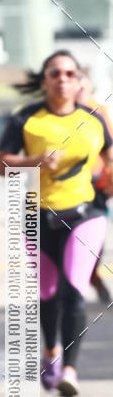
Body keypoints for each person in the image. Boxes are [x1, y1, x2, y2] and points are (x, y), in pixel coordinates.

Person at [0, 50, 113, 397]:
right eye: (55, 73)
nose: (63, 79)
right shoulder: (27, 120)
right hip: (37, 217)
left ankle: (71, 371)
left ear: (78, 81)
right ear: (45, 80)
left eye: (69, 73)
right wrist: (34, 161)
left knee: (74, 291)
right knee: (47, 294)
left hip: (86, 214)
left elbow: (109, 157)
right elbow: (0, 165)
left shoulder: (94, 119)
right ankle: (50, 353)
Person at [75, 72, 112, 304]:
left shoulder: (99, 113)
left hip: (96, 187)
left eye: (81, 81)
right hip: (64, 189)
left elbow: (110, 154)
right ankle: (75, 287)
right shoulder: (55, 113)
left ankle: (93, 277)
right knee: (67, 239)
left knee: (94, 243)